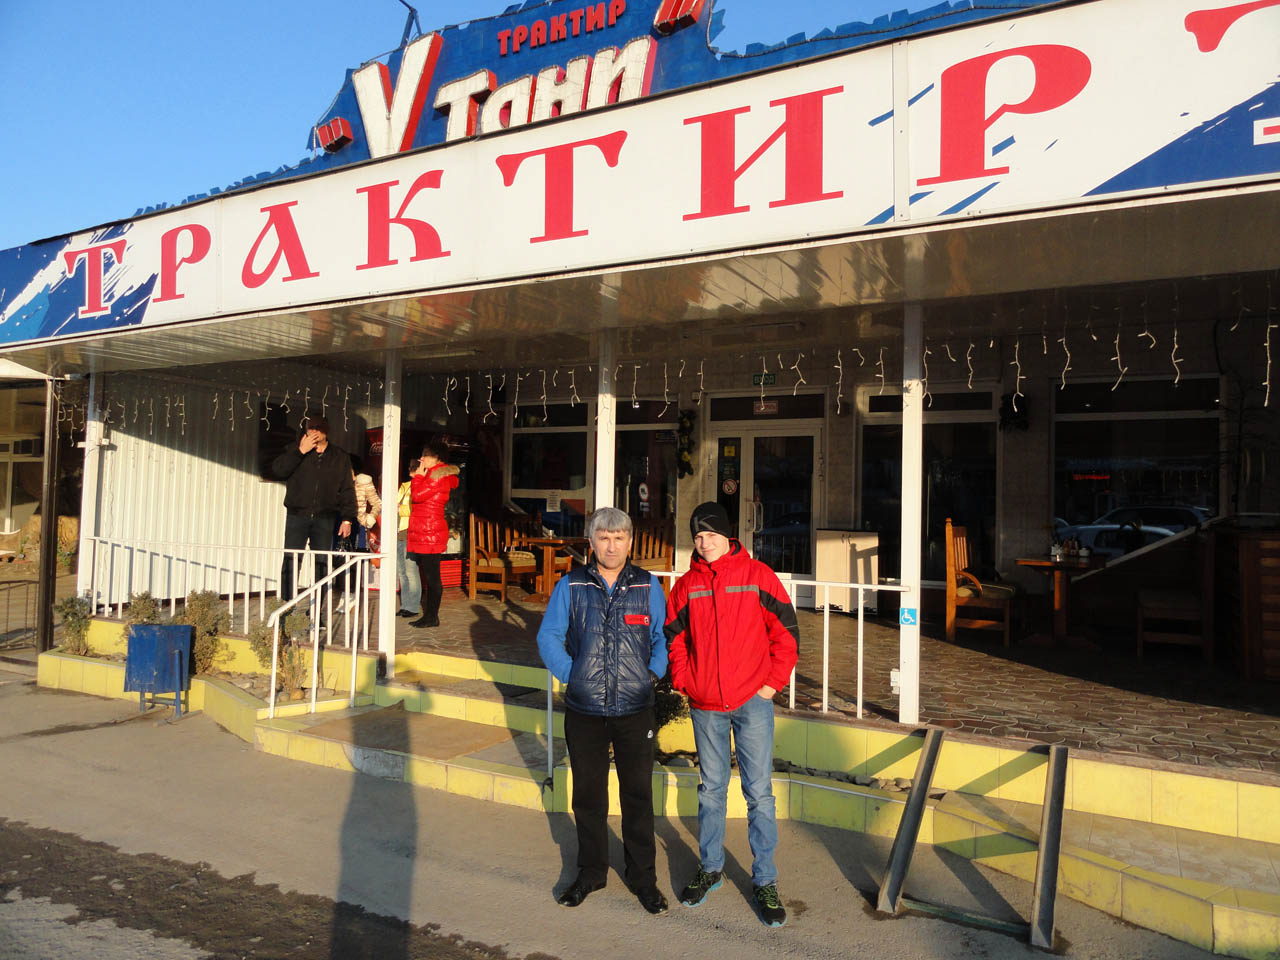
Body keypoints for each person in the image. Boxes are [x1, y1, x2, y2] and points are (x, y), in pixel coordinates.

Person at [664, 502, 799, 928]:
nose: (704, 543)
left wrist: (771, 685)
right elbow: (674, 639)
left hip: (752, 702)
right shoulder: (686, 586)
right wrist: (685, 681)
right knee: (711, 790)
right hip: (706, 705)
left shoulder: (758, 576)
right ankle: (710, 868)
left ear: (727, 536)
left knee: (759, 793)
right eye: (697, 536)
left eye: (710, 535)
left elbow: (786, 632)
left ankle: (765, 880)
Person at [536, 507, 669, 916]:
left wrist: (651, 675)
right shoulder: (571, 585)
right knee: (588, 797)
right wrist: (572, 675)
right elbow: (549, 636)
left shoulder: (648, 585)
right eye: (604, 538)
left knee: (638, 796)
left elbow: (662, 637)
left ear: (630, 542)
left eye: (619, 538)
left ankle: (643, 878)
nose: (612, 546)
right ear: (591, 542)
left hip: (635, 708)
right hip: (585, 709)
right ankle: (591, 872)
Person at [270, 417, 357, 604]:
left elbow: (347, 489)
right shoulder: (295, 450)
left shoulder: (339, 457)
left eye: (319, 428)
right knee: (291, 562)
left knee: (321, 565)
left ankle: (316, 611)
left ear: (327, 431)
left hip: (325, 518)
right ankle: (287, 609)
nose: (314, 432)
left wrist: (347, 518)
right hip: (297, 515)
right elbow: (278, 471)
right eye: (311, 428)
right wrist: (300, 451)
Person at [406, 443, 459, 628]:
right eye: (422, 455)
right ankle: (430, 615)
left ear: (437, 458)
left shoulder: (437, 475)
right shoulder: (434, 474)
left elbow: (417, 495)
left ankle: (431, 617)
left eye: (427, 456)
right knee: (430, 575)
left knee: (432, 577)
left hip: (429, 531)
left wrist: (418, 476)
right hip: (427, 530)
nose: (422, 459)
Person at [395, 459, 422, 618]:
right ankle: (406, 605)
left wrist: (399, 508)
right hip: (399, 531)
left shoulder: (418, 485)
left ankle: (412, 606)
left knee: (411, 570)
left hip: (410, 531)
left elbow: (415, 509)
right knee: (402, 571)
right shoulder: (405, 486)